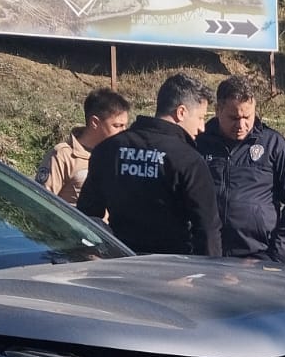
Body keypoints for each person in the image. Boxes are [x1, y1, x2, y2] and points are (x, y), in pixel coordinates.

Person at [78, 73, 219, 256]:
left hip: (118, 262)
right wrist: (209, 270)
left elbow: (87, 218)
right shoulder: (188, 159)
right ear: (181, 112)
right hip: (173, 266)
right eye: (200, 117)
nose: (202, 127)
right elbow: (207, 229)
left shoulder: (108, 149)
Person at [195, 74, 285, 262]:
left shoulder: (274, 144)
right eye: (234, 118)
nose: (241, 125)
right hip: (206, 257)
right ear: (218, 110)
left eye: (247, 117)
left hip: (258, 258)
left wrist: (276, 256)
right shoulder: (199, 142)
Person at [36, 88, 130, 205]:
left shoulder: (119, 156)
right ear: (95, 122)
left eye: (125, 126)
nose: (124, 132)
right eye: (117, 126)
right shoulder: (63, 156)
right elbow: (41, 202)